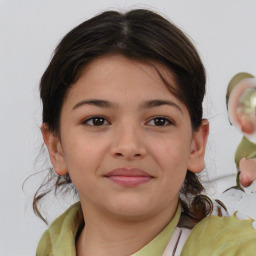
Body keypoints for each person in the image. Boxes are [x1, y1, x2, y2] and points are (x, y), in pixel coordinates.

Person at [35, 9, 256, 256]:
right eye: (97, 121)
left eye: (159, 121)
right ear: (57, 148)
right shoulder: (50, 247)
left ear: (196, 145)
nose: (129, 147)